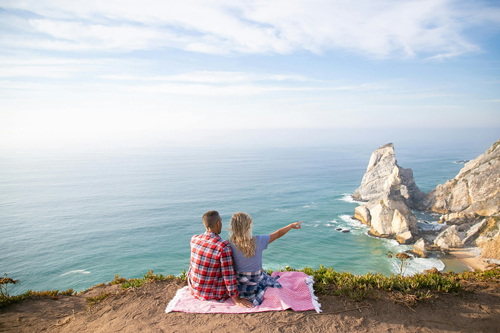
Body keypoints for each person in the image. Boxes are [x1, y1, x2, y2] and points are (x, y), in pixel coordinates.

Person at [228, 212, 302, 306]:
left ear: (232, 227)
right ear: (249, 225)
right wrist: (291, 226)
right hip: (256, 284)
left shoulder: (228, 244)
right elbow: (278, 233)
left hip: (240, 287)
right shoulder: (258, 241)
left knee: (259, 269)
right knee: (264, 274)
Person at [187, 210, 253, 308]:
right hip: (212, 294)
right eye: (221, 221)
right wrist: (237, 300)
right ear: (218, 224)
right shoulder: (222, 246)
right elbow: (228, 276)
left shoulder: (194, 239)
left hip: (194, 289)